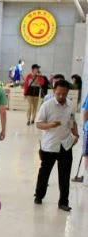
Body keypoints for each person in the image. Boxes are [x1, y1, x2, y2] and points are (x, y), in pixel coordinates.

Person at [34, 79, 80, 212]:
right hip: (49, 146)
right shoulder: (47, 106)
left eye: (64, 94)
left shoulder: (70, 105)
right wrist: (50, 125)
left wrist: (76, 135)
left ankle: (63, 202)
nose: (61, 96)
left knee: (65, 175)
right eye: (58, 93)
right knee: (45, 172)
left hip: (65, 145)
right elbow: (38, 124)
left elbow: (72, 122)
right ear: (54, 91)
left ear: (67, 93)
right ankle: (39, 195)